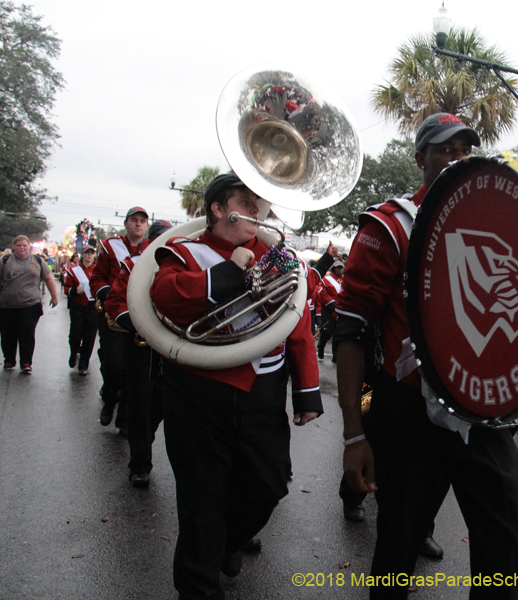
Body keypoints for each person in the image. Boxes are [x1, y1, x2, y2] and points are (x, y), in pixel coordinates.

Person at [335, 113, 518, 599]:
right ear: (420, 158)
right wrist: (355, 433)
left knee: (503, 549)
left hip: (485, 409)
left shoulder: (500, 220)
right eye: (444, 149)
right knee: (397, 542)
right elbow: (351, 330)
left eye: (466, 149)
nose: (457, 159)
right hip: (408, 410)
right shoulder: (389, 224)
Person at [150, 174, 322, 600]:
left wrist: (307, 389)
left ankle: (223, 544)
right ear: (217, 208)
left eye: (258, 201)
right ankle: (199, 583)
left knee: (271, 482)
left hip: (262, 392)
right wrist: (231, 272)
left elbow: (296, 320)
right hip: (199, 392)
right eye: (244, 199)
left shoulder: (277, 257)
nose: (257, 208)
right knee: (202, 498)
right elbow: (165, 294)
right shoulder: (183, 252)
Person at [105, 221, 172, 487]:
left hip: (174, 350)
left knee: (166, 407)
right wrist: (142, 326)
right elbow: (115, 302)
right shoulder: (134, 265)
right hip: (142, 347)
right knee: (140, 408)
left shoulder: (188, 264)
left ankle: (146, 437)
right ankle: (140, 463)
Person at [90, 207, 150, 434]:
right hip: (113, 314)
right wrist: (108, 295)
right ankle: (109, 398)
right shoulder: (109, 246)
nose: (138, 224)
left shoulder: (152, 248)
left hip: (139, 315)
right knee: (113, 364)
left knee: (132, 370)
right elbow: (96, 278)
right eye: (134, 220)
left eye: (142, 221)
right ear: (126, 223)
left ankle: (125, 418)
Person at [0, 236, 59, 373]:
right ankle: (9, 360)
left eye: (24, 245)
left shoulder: (37, 261)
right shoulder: (4, 261)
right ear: (14, 247)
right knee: (8, 334)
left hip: (30, 304)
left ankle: (26, 362)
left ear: (29, 246)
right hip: (6, 305)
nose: (22, 248)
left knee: (27, 333)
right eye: (19, 245)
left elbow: (48, 278)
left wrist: (54, 297)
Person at [62, 247, 100, 375]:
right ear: (82, 255)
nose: (89, 256)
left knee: (90, 336)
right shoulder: (74, 270)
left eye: (91, 253)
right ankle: (74, 352)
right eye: (87, 253)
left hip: (93, 307)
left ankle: (84, 364)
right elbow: (66, 288)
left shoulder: (98, 271)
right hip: (77, 306)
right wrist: (74, 290)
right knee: (75, 334)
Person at [316, 261, 344, 361]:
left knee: (337, 333)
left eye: (341, 268)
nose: (340, 270)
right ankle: (321, 346)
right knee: (327, 331)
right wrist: (332, 303)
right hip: (329, 308)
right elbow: (322, 293)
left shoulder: (344, 280)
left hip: (340, 310)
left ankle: (335, 355)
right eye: (338, 268)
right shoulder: (326, 279)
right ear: (334, 268)